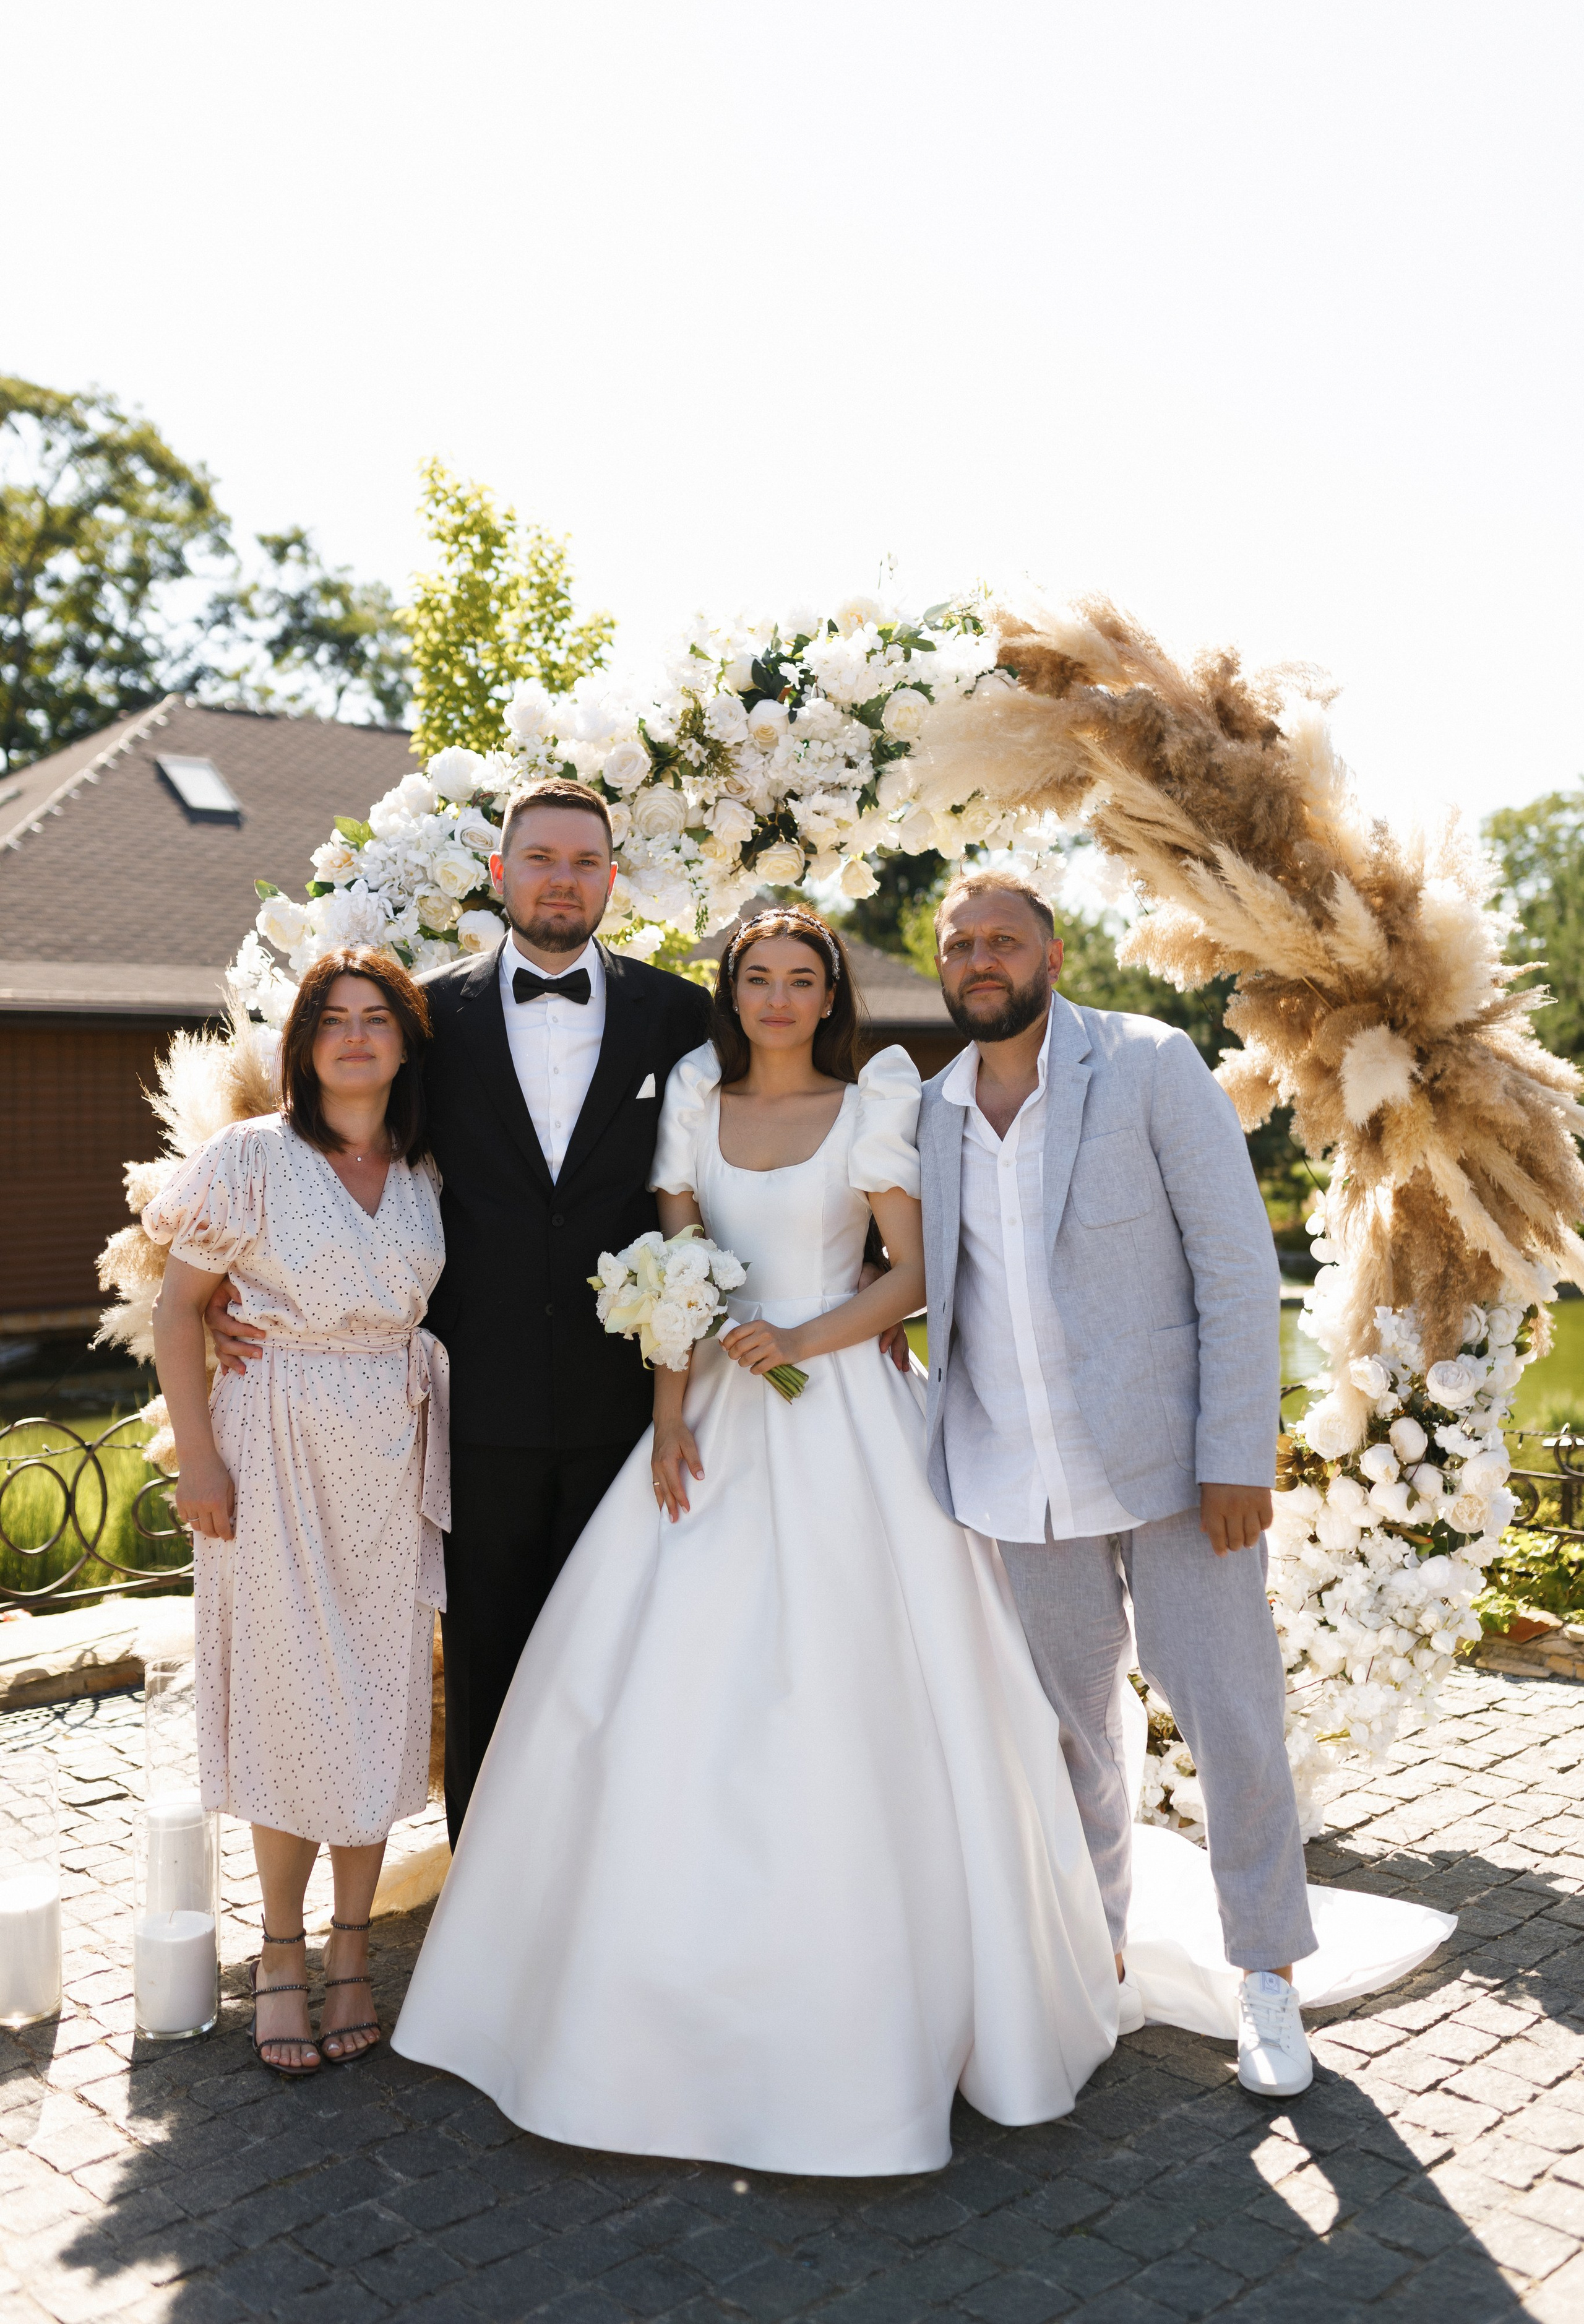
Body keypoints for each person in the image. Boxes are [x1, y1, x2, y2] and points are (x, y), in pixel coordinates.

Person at [390, 908, 1122, 2175]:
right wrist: (671, 1420)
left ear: (829, 994)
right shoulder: (689, 1098)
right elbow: (679, 1279)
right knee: (657, 1692)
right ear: (729, 993)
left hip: (839, 1411)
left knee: (856, 1687)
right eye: (757, 978)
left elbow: (913, 1274)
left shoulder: (870, 1102)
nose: (778, 998)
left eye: (801, 979)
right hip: (721, 1414)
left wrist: (806, 1338)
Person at [210, 779, 712, 1843]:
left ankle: (608, 1882)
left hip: (630, 1408)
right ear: (501, 874)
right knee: (484, 1654)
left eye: (585, 862)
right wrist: (227, 1300)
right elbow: (338, 1153)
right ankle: (481, 1894)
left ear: (612, 879)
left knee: (627, 1647)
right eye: (541, 859)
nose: (562, 881)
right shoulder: (429, 1017)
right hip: (466, 1408)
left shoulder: (681, 1015)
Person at [916, 866, 1317, 2094]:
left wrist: (1232, 1454)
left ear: (1048, 951)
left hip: (1168, 1470)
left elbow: (1236, 1268)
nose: (980, 958)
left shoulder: (1144, 1063)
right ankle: (1095, 1957)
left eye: (1001, 939)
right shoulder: (927, 1107)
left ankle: (1264, 1977)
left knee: (1228, 1719)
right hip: (1007, 1477)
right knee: (1067, 1739)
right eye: (959, 944)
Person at [148, 948, 447, 2076]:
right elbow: (182, 1312)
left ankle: (354, 1950)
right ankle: (279, 1953)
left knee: (378, 1698)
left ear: (407, 1043)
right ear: (305, 1041)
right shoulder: (252, 1159)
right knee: (289, 1697)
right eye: (336, 1019)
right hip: (268, 1453)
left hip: (390, 1453)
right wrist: (200, 1462)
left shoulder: (424, 1170)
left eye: (380, 1019)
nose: (357, 1036)